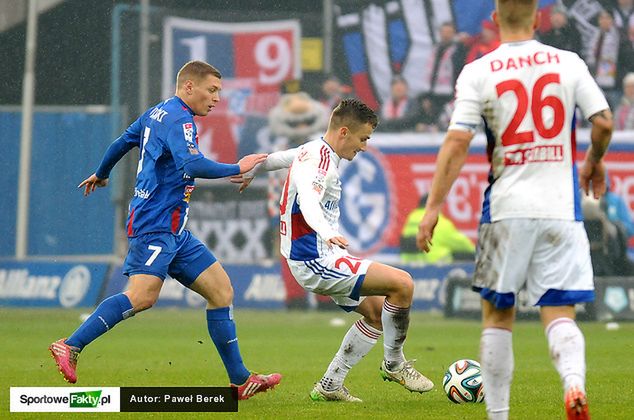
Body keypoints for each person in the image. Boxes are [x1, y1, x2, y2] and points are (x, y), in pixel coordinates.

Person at [416, 1, 613, 419]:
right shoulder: (568, 62)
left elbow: (456, 142)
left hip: (505, 209)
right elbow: (604, 122)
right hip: (561, 207)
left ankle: (499, 415)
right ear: (538, 19)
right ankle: (573, 385)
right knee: (559, 310)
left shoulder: (479, 70)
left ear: (495, 20)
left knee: (498, 314)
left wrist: (433, 207)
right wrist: (593, 161)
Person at [48, 60, 282, 400]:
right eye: (212, 90)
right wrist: (237, 166)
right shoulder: (179, 119)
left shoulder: (157, 113)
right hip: (154, 224)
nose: (217, 99)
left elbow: (122, 142)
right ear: (189, 87)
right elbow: (192, 164)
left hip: (174, 228)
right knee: (142, 297)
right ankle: (69, 345)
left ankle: (241, 380)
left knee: (221, 292)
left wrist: (102, 172)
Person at [233, 99, 434, 402]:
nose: (364, 147)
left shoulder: (313, 150)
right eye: (363, 138)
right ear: (344, 132)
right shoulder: (319, 163)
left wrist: (257, 164)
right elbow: (309, 203)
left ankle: (330, 385)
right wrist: (328, 233)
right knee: (403, 284)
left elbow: (283, 157)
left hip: (318, 257)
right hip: (315, 259)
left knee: (378, 315)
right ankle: (395, 365)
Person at [400, 194, 474, 264]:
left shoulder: (411, 218)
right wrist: (475, 250)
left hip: (409, 263)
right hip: (435, 263)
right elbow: (463, 244)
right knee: (467, 255)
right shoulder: (438, 221)